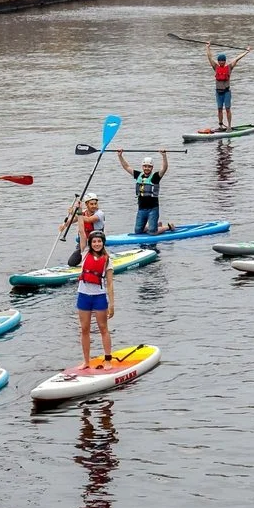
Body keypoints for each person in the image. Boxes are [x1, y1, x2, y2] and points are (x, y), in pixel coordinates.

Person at [75, 228, 117, 368]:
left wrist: (112, 304)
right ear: (90, 243)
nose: (97, 244)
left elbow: (110, 284)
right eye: (94, 241)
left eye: (99, 241)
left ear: (103, 243)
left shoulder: (107, 260)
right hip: (83, 296)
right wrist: (80, 212)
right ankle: (86, 361)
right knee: (85, 329)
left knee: (103, 328)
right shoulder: (85, 253)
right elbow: (81, 231)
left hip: (99, 297)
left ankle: (108, 360)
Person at [118, 150, 174, 237]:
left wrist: (164, 156)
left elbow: (164, 168)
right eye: (145, 166)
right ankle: (156, 225)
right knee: (138, 231)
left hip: (153, 209)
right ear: (142, 167)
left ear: (152, 168)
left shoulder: (155, 177)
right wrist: (120, 156)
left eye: (149, 166)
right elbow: (126, 167)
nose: (147, 168)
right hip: (141, 209)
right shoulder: (138, 175)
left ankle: (168, 227)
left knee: (152, 233)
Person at [205, 42, 253, 131]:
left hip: (226, 92)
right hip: (218, 93)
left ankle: (229, 126)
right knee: (219, 109)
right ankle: (220, 126)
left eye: (223, 60)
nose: (221, 62)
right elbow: (209, 57)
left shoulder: (229, 67)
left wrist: (246, 52)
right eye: (220, 61)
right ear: (218, 61)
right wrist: (208, 47)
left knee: (227, 109)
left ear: (225, 61)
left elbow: (237, 59)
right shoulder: (215, 67)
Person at [61, 193, 104, 268]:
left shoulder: (100, 214)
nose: (94, 206)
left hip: (96, 243)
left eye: (95, 204)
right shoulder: (83, 212)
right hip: (83, 244)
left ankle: (100, 257)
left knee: (92, 262)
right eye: (91, 204)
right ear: (86, 204)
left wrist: (74, 213)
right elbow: (72, 220)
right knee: (71, 263)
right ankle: (83, 260)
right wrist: (64, 225)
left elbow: (88, 220)